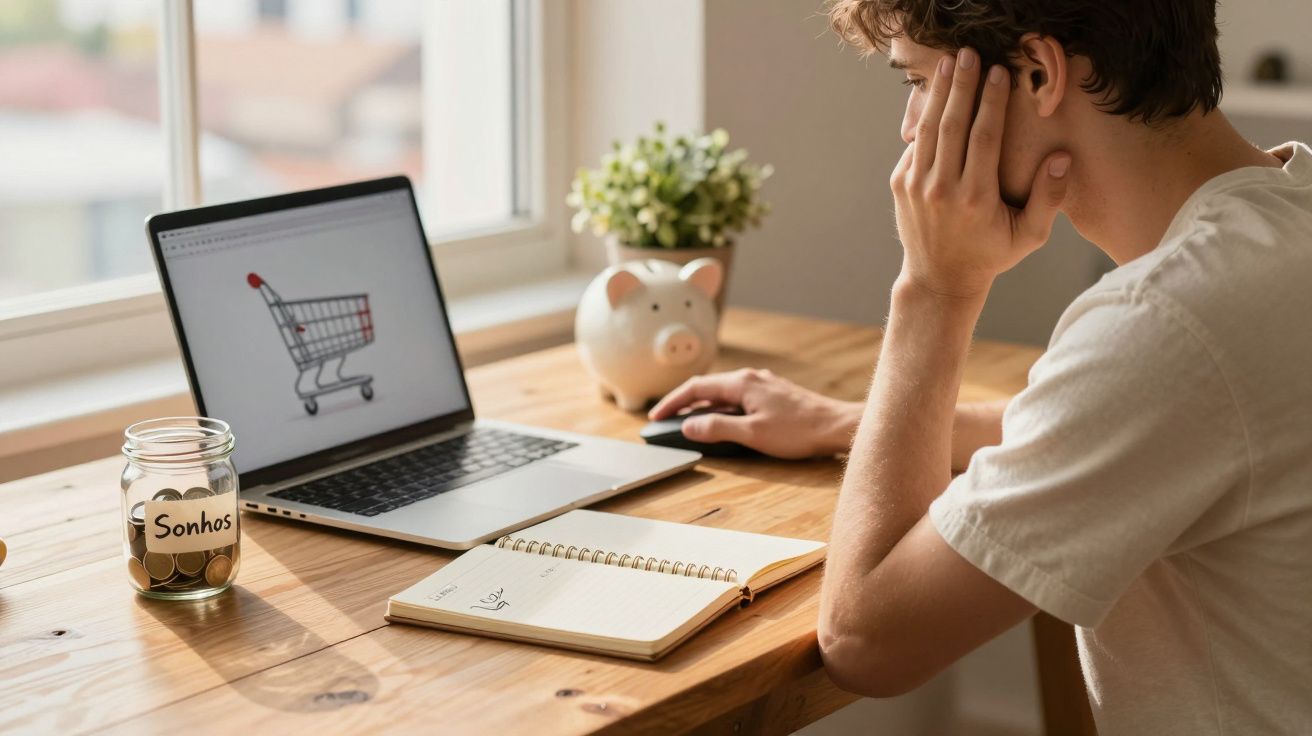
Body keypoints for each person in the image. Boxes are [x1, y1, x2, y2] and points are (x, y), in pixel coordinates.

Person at [648, 0, 1312, 732]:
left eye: (917, 82)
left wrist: (935, 289)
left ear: (1038, 74)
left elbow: (866, 643)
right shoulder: (1283, 231)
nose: (910, 128)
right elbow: (1156, 425)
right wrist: (842, 423)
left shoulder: (1169, 322)